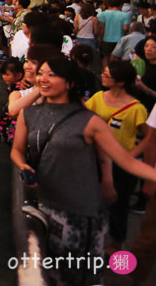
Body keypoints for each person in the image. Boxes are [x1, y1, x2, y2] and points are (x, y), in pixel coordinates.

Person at [12, 56, 156, 286]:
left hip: (80, 214)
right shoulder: (29, 114)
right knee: (48, 273)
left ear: (69, 83)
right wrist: (23, 166)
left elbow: (126, 161)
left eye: (52, 74)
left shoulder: (89, 120)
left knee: (79, 277)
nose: (43, 79)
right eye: (41, 73)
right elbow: (17, 150)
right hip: (43, 206)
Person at [86, 60, 148, 250]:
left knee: (119, 205)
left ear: (121, 82)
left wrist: (131, 155)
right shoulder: (97, 98)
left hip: (122, 166)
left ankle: (116, 242)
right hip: (96, 160)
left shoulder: (137, 108)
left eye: (107, 74)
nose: (102, 76)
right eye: (103, 72)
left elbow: (148, 137)